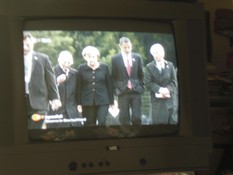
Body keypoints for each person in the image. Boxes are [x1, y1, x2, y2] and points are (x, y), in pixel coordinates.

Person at [23, 32, 61, 129]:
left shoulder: (43, 59)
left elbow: (50, 80)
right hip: (17, 103)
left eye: (27, 44)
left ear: (32, 43)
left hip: (39, 102)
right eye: (22, 44)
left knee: (35, 131)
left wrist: (55, 98)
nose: (25, 47)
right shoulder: (10, 58)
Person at [77, 46, 114, 126]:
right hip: (87, 101)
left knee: (102, 122)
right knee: (89, 124)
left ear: (97, 57)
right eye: (89, 57)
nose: (91, 59)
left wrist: (112, 101)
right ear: (85, 57)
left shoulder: (104, 67)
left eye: (93, 56)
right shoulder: (81, 68)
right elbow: (79, 87)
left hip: (103, 101)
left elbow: (109, 85)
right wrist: (79, 103)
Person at [111, 37, 144, 125]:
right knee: (124, 119)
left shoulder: (137, 57)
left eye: (129, 47)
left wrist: (141, 86)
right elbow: (113, 77)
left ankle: (137, 134)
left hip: (136, 91)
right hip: (123, 92)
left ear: (131, 46)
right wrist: (117, 90)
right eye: (125, 47)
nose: (127, 49)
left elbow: (141, 74)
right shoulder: (115, 59)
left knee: (137, 117)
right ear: (120, 46)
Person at [48, 51, 83, 127]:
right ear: (59, 60)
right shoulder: (51, 72)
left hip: (72, 112)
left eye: (69, 62)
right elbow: (46, 90)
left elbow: (78, 92)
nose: (67, 64)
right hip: (56, 112)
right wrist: (57, 81)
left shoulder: (75, 74)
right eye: (64, 62)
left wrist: (79, 105)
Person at [145, 43, 177, 124]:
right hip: (156, 101)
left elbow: (174, 82)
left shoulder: (170, 65)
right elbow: (148, 83)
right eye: (153, 53)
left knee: (170, 123)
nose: (155, 55)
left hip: (168, 100)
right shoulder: (149, 67)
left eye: (157, 53)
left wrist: (167, 89)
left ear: (162, 53)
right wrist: (160, 89)